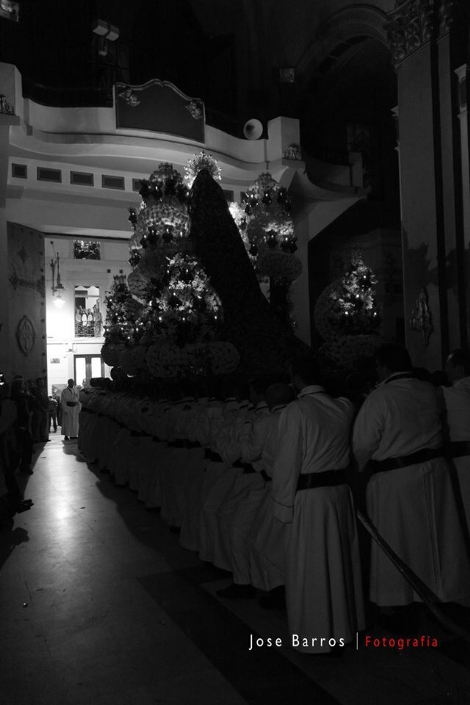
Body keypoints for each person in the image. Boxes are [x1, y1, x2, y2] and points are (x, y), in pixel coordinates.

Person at [353, 342, 470, 629]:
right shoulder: (428, 390)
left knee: (400, 539)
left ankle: (398, 600)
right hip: (434, 474)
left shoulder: (380, 398)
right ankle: (439, 592)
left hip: (397, 479)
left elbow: (363, 444)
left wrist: (360, 468)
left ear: (382, 366)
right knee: (435, 537)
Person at [271, 354, 365, 654]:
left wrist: (283, 506)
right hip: (338, 494)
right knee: (338, 561)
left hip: (311, 500)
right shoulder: (343, 407)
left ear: (297, 378)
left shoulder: (297, 411)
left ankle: (317, 634)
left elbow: (287, 463)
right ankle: (342, 627)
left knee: (311, 565)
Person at [440, 348, 470, 535]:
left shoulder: (448, 395)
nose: (445, 370)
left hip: (464, 461)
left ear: (459, 368)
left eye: (448, 366)